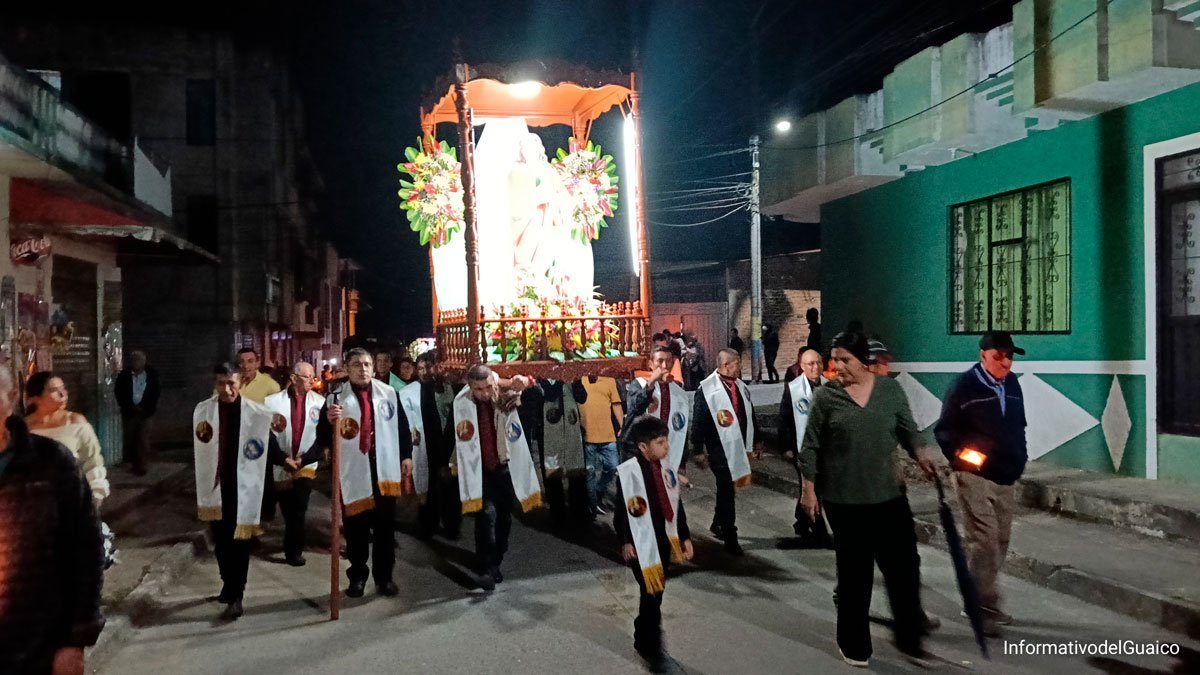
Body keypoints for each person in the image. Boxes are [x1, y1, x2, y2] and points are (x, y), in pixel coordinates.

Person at [798, 331, 939, 667]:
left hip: (889, 496)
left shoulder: (889, 391)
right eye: (835, 359)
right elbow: (811, 446)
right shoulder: (826, 397)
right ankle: (854, 644)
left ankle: (910, 639)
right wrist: (808, 489)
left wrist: (921, 453)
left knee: (904, 569)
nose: (837, 366)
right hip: (844, 500)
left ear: (864, 361)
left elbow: (909, 429)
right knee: (854, 574)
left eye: (845, 359)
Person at [0, 366, 105, 675]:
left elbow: (86, 551)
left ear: (11, 398)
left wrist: (75, 640)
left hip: (37, 643)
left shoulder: (51, 463)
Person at [934, 331, 1028, 637]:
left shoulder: (1012, 385)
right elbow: (945, 432)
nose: (1005, 362)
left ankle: (980, 595)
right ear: (982, 355)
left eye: (1009, 356)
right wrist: (970, 460)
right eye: (998, 355)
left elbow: (1018, 426)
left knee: (1000, 541)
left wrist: (1019, 458)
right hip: (973, 477)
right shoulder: (964, 386)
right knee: (984, 539)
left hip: (1005, 476)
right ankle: (983, 606)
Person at [316, 348, 413, 598]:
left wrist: (406, 456)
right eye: (357, 365)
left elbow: (402, 427)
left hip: (384, 469)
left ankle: (385, 577)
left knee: (384, 530)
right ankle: (358, 576)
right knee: (356, 530)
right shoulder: (336, 398)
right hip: (354, 471)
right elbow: (322, 439)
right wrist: (328, 421)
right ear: (347, 369)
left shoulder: (389, 394)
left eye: (368, 364)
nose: (364, 369)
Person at [193, 362, 275, 621]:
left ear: (240, 382)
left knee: (239, 543)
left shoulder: (256, 413)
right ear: (214, 384)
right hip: (215, 486)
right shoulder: (203, 411)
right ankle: (227, 583)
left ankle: (237, 594)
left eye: (232, 383)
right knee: (220, 541)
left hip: (243, 486)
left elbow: (267, 444)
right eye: (221, 383)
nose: (227, 389)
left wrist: (287, 460)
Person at [613, 415, 694, 673]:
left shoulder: (667, 468)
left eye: (666, 440)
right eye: (660, 442)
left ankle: (642, 632)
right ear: (643, 446)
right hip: (641, 543)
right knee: (652, 593)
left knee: (655, 593)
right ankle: (652, 646)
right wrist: (625, 541)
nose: (666, 447)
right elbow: (621, 512)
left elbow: (676, 505)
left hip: (664, 539)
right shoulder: (628, 474)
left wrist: (684, 536)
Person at [450, 365, 541, 590]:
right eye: (479, 389)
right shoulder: (462, 404)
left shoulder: (508, 396)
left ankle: (497, 557)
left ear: (494, 381)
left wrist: (526, 382)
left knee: (504, 517)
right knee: (486, 516)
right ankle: (486, 567)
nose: (485, 393)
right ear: (470, 387)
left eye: (488, 387)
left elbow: (538, 394)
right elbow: (451, 432)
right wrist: (449, 461)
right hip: (480, 469)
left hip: (506, 467)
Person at [692, 348, 755, 555]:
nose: (741, 366)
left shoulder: (741, 387)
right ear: (726, 365)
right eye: (737, 363)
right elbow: (698, 421)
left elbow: (749, 412)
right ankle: (730, 535)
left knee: (727, 489)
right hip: (719, 448)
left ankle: (717, 522)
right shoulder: (707, 389)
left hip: (739, 445)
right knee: (727, 488)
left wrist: (758, 439)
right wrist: (698, 448)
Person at [263, 362, 325, 567]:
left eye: (312, 376)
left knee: (300, 507)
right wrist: (282, 459)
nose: (311, 380)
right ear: (294, 378)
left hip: (305, 463)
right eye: (307, 377)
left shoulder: (320, 402)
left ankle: (294, 551)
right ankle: (290, 539)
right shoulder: (272, 402)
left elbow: (323, 437)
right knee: (288, 509)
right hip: (281, 462)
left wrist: (304, 459)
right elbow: (266, 435)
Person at [25, 372, 109, 506]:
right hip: (35, 504)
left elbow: (93, 462)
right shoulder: (24, 428)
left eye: (63, 388)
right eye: (54, 390)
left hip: (71, 500)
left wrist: (96, 497)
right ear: (36, 397)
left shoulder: (75, 422)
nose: (63, 394)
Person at [777, 347, 831, 548]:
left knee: (814, 488)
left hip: (824, 448)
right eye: (811, 364)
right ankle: (820, 532)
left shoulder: (829, 387)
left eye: (818, 363)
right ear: (802, 366)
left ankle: (801, 520)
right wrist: (786, 446)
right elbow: (785, 419)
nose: (815, 367)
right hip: (802, 448)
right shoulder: (794, 389)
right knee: (811, 487)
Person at [406, 351, 461, 540]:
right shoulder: (410, 392)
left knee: (449, 487)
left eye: (428, 367)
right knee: (427, 488)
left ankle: (452, 525)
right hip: (424, 445)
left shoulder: (447, 387)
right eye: (420, 368)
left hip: (446, 443)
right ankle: (428, 525)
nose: (424, 372)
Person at [521, 378, 591, 529]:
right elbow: (550, 395)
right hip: (548, 434)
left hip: (571, 432)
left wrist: (577, 380)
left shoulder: (570, 378)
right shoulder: (539, 379)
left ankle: (579, 515)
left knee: (576, 473)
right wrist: (561, 378)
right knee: (553, 476)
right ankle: (558, 516)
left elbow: (582, 397)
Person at [624, 347, 691, 476]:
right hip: (641, 453)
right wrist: (651, 383)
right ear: (650, 364)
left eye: (668, 361)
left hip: (667, 451)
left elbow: (682, 428)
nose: (665, 365)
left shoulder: (679, 393)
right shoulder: (639, 384)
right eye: (660, 361)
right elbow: (635, 408)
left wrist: (682, 462)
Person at [579, 374, 625, 515]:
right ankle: (593, 505)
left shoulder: (609, 380)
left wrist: (623, 426)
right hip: (587, 437)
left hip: (608, 435)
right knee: (589, 473)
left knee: (612, 467)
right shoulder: (579, 381)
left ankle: (597, 493)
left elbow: (616, 405)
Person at [114, 350, 159, 476]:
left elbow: (155, 392)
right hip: (130, 412)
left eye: (139, 360)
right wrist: (128, 406)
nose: (136, 362)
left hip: (146, 412)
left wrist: (147, 407)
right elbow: (119, 392)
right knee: (131, 439)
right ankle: (134, 464)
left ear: (144, 362)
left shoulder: (151, 374)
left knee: (143, 440)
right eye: (134, 360)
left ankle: (142, 465)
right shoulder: (124, 375)